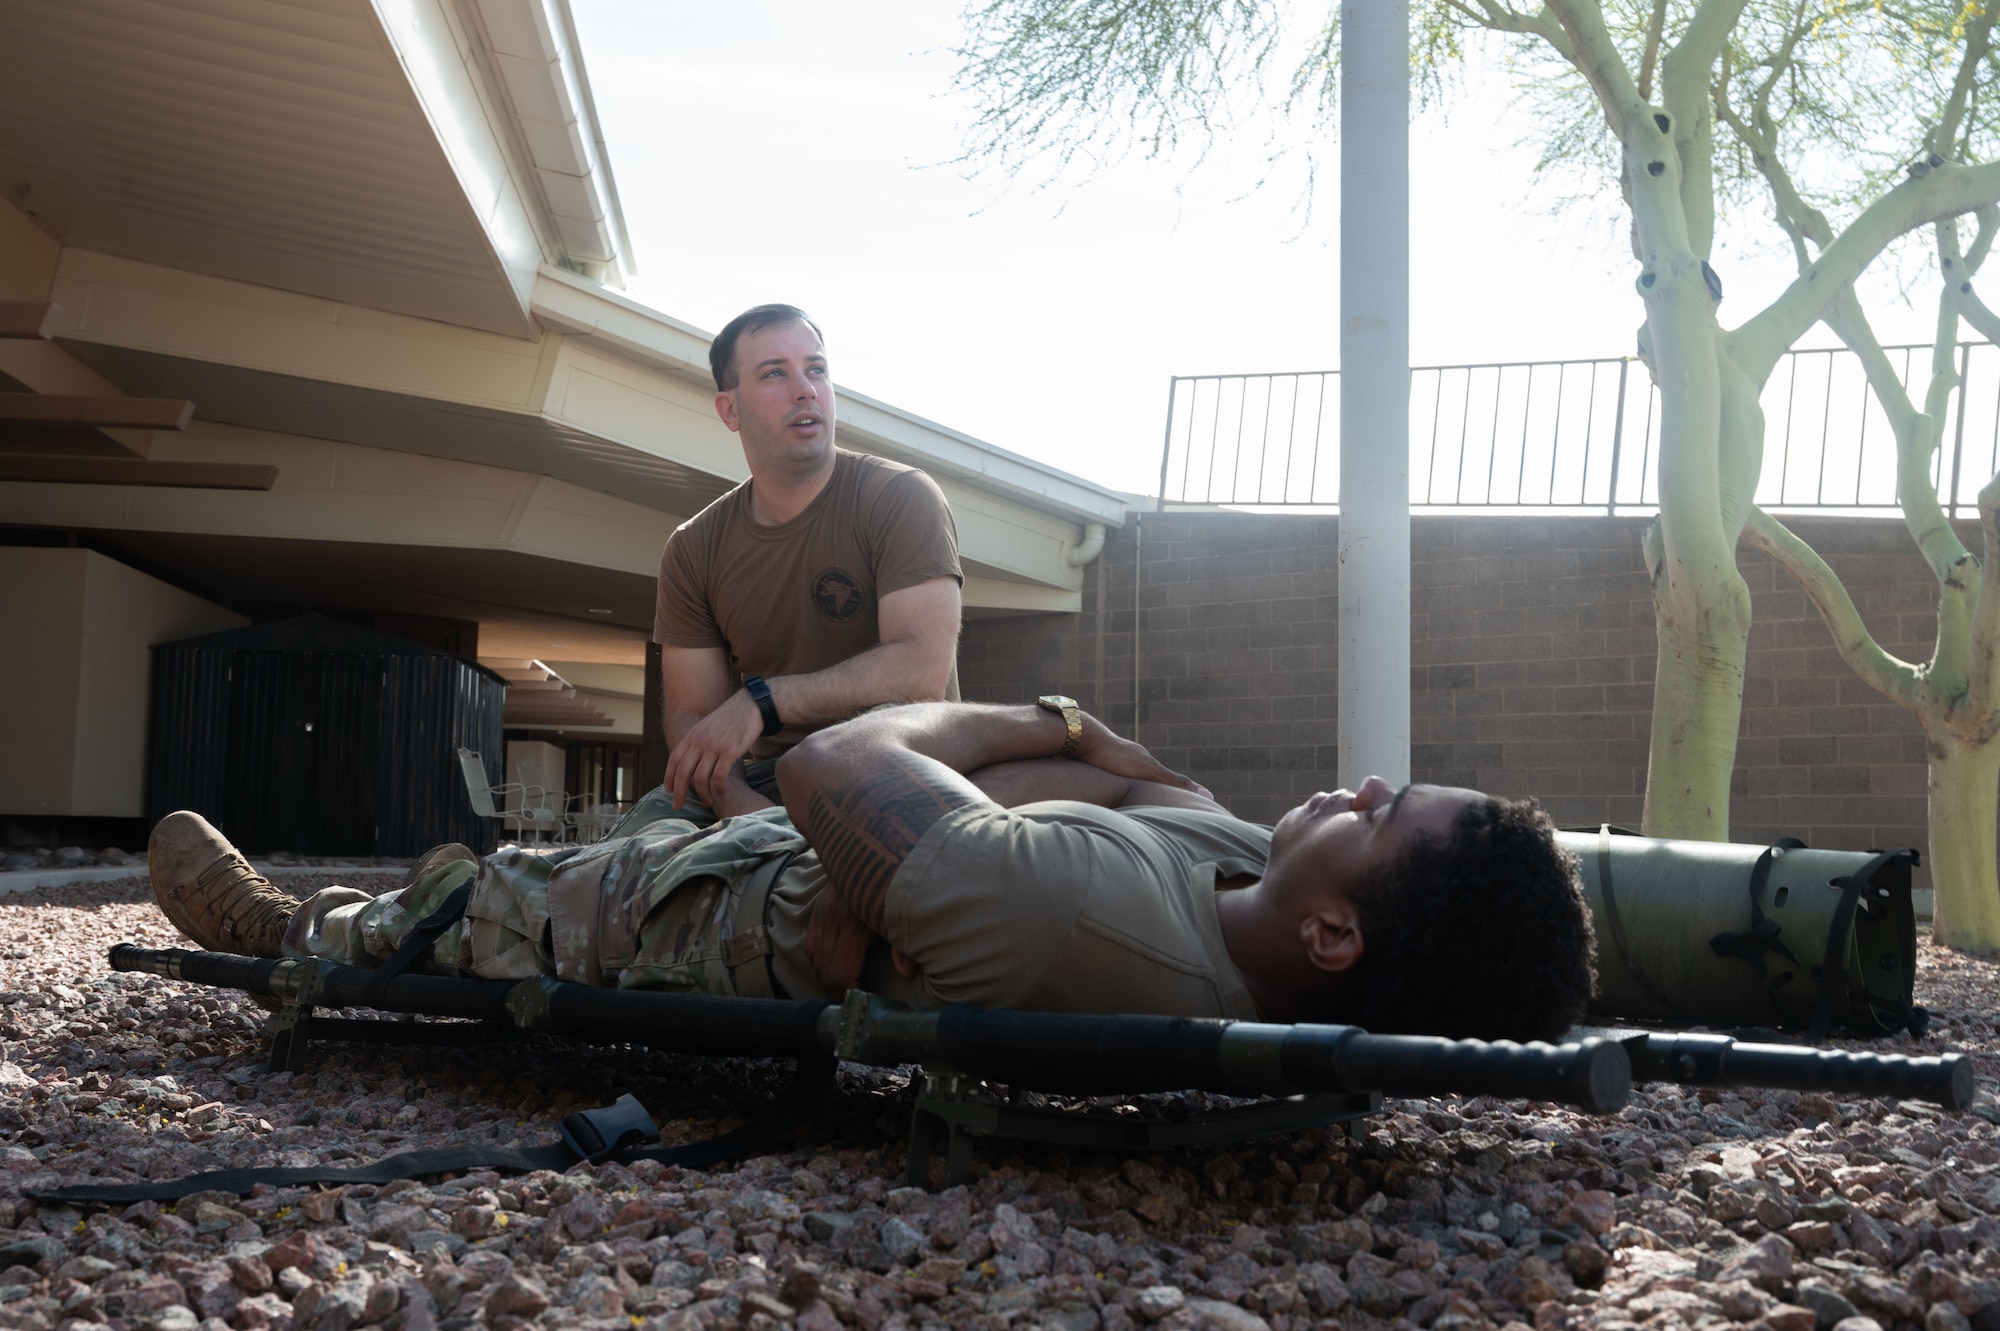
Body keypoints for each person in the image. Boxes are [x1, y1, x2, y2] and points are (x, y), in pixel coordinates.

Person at [146, 703, 1598, 1043]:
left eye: (1383, 806)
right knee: (569, 850)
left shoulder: (1082, 911)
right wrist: (1038, 757)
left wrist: (1024, 733)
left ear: (1337, 933)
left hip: (694, 922)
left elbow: (835, 759)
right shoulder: (1238, 865)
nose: (1359, 780)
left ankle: (296, 928)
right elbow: (1113, 771)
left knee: (467, 911)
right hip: (774, 866)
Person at [653, 303, 963, 820]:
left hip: (909, 774)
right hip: (768, 788)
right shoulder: (693, 549)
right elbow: (692, 714)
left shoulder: (901, 497)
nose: (806, 389)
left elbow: (921, 670)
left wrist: (761, 701)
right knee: (622, 863)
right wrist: (741, 807)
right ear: (729, 410)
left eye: (816, 369)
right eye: (775, 373)